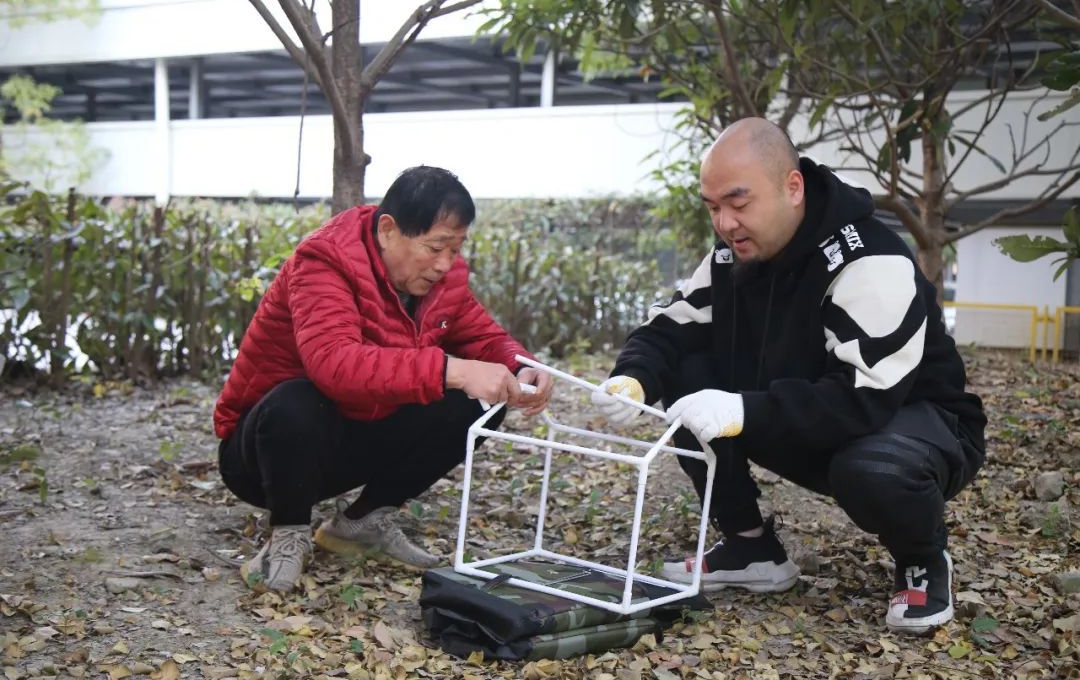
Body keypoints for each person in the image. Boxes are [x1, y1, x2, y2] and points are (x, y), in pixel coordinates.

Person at [591, 118, 986, 634]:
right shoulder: (733, 258)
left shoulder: (870, 258)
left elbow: (864, 399)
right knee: (685, 376)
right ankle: (751, 546)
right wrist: (634, 378)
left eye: (739, 202)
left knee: (873, 467)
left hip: (911, 425)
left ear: (792, 187)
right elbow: (672, 326)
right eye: (713, 208)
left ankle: (922, 558)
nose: (726, 223)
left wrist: (742, 410)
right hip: (808, 417)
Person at [213, 166, 553, 593]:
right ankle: (289, 532)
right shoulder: (323, 262)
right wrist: (455, 370)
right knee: (296, 401)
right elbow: (335, 365)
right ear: (388, 230)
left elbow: (484, 336)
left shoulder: (442, 280)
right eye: (435, 247)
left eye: (456, 248)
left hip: (354, 433)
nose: (445, 264)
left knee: (482, 401)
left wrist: (522, 366)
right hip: (263, 456)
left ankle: (362, 523)